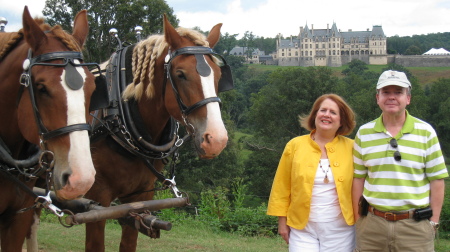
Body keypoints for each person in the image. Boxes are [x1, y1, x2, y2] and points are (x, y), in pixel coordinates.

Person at [352, 70, 448, 252]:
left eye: (398, 92)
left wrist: (433, 222)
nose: (392, 97)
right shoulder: (364, 133)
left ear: (408, 98)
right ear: (377, 98)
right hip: (372, 226)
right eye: (386, 92)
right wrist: (359, 220)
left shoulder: (426, 132)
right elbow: (358, 179)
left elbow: (437, 180)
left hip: (415, 226)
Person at [267, 94, 356, 252]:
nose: (326, 115)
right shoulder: (294, 145)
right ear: (315, 115)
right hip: (302, 229)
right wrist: (282, 221)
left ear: (342, 120)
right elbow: (282, 186)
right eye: (323, 110)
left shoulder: (353, 148)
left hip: (341, 230)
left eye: (333, 112)